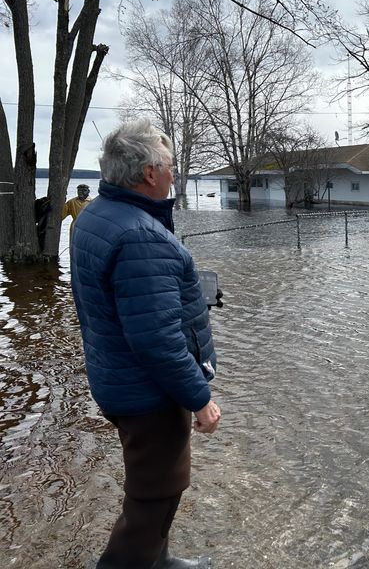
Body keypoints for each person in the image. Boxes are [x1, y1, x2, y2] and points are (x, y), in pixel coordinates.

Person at [70, 120, 221, 569]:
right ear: (150, 173)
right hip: (147, 392)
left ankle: (160, 561)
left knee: (159, 484)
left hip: (119, 379)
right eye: (171, 166)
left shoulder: (98, 214)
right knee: (152, 500)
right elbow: (156, 340)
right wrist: (200, 398)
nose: (175, 174)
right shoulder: (139, 236)